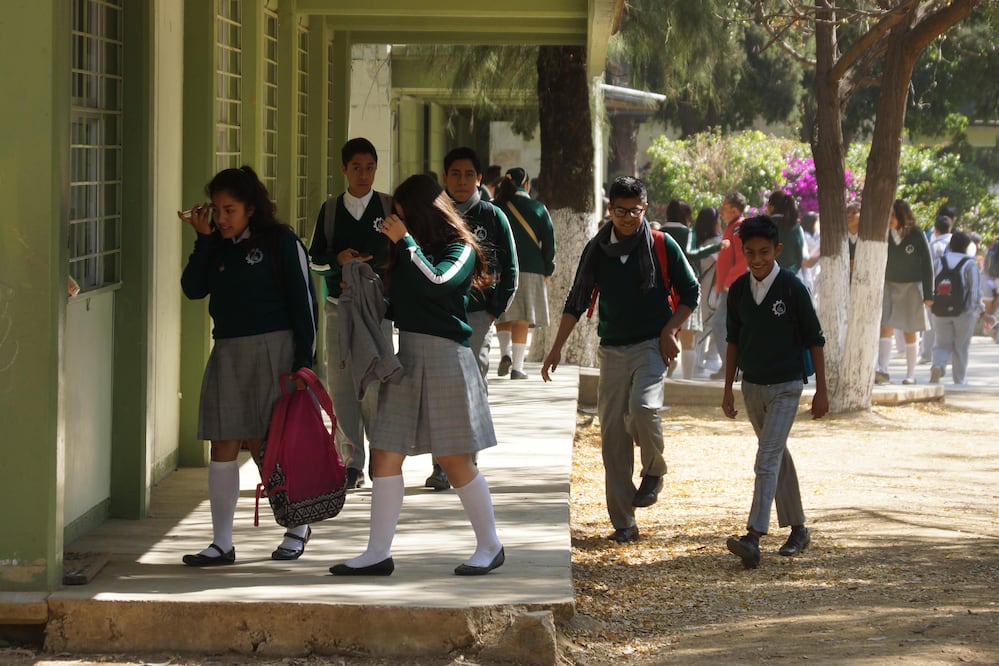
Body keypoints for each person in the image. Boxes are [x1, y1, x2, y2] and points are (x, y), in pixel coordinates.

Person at [329, 174, 504, 577]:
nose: (396, 222)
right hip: (407, 359)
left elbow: (439, 282)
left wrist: (405, 242)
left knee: (454, 459)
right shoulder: (408, 253)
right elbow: (401, 305)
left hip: (446, 359)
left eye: (403, 215)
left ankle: (490, 545)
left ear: (423, 214)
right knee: (386, 454)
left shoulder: (460, 249)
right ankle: (377, 553)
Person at [541, 176, 699, 543]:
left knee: (643, 408)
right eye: (621, 211)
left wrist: (670, 330)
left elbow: (691, 291)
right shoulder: (597, 249)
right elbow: (576, 300)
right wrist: (556, 347)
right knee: (613, 436)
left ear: (646, 208)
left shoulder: (662, 244)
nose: (629, 218)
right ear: (609, 210)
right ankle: (624, 524)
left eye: (636, 211)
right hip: (611, 349)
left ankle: (655, 470)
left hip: (651, 346)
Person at [179, 165, 318, 566]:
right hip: (228, 350)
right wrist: (202, 240)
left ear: (251, 209)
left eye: (230, 210)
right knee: (222, 442)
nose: (221, 218)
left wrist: (303, 364)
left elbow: (303, 305)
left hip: (275, 351)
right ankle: (222, 543)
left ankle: (297, 525)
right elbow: (192, 289)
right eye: (217, 210)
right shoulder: (216, 245)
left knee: (269, 445)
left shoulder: (281, 242)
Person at [721, 215, 827, 569]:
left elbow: (815, 340)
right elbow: (733, 341)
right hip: (752, 387)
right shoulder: (738, 290)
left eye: (764, 251)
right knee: (776, 454)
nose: (757, 259)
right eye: (749, 252)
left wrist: (823, 391)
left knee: (766, 458)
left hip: (787, 386)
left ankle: (753, 536)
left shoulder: (793, 288)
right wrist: (727, 388)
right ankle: (799, 529)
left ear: (777, 250)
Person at [424, 147, 518, 490]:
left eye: (468, 175)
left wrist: (494, 310)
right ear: (445, 177)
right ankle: (440, 465)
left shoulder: (494, 217)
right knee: (438, 389)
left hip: (478, 316)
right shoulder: (434, 216)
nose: (462, 181)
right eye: (455, 174)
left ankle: (467, 460)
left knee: (472, 386)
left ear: (479, 178)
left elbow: (510, 270)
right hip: (439, 317)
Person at [308, 138, 393, 490]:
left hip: (378, 311)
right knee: (342, 386)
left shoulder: (388, 207)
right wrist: (337, 261)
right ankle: (350, 462)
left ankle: (380, 456)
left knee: (375, 382)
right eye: (356, 167)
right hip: (338, 309)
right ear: (343, 169)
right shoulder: (329, 211)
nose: (364, 174)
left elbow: (403, 253)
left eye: (370, 167)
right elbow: (314, 258)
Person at [494, 167, 556, 380]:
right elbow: (549, 242)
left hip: (500, 269)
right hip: (531, 268)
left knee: (502, 312)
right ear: (526, 184)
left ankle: (504, 354)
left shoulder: (495, 207)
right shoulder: (537, 208)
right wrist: (549, 268)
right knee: (521, 318)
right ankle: (518, 368)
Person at [662, 199, 723, 379]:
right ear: (686, 216)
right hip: (686, 289)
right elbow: (691, 253)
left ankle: (665, 376)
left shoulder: (658, 233)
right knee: (688, 339)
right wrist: (718, 247)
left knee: (664, 334)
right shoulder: (688, 233)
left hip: (663, 291)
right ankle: (687, 381)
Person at [876, 199, 934, 385]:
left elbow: (927, 263)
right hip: (889, 285)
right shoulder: (883, 234)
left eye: (892, 215)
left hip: (911, 286)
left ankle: (910, 374)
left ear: (901, 216)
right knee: (885, 326)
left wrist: (928, 294)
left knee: (910, 330)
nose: (889, 219)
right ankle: (882, 370)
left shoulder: (916, 234)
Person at [930, 232, 992, 384]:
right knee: (961, 347)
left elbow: (931, 283)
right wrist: (981, 312)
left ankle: (938, 365)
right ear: (967, 247)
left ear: (950, 245)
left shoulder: (940, 262)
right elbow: (975, 291)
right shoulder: (969, 264)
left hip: (940, 310)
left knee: (941, 343)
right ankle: (959, 379)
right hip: (963, 312)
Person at [710, 193, 748, 380]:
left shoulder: (738, 228)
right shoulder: (732, 228)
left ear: (734, 210)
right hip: (728, 286)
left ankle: (732, 367)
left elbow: (744, 259)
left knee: (718, 323)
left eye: (724, 207)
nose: (721, 211)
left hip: (733, 287)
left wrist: (729, 282)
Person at [693, 206, 725, 376]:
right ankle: (703, 362)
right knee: (710, 325)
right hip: (713, 290)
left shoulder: (698, 241)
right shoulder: (717, 244)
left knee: (705, 325)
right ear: (714, 223)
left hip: (702, 288)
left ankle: (702, 361)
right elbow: (722, 267)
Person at [921, 215, 955, 364]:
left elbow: (928, 270)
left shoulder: (934, 245)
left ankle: (926, 355)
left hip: (936, 289)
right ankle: (948, 356)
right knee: (950, 323)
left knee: (930, 323)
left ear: (935, 229)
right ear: (950, 227)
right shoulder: (958, 243)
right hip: (954, 290)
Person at [766, 190, 805, 275]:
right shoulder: (795, 227)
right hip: (790, 276)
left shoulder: (763, 225)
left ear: (772, 207)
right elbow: (799, 258)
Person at [846, 203, 861, 278]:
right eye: (847, 212)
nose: (849, 215)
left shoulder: (866, 238)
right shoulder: (840, 238)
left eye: (854, 213)